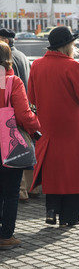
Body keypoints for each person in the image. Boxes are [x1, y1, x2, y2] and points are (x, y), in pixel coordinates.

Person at [28, 26, 79, 227]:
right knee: (73, 172)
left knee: (53, 170)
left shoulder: (37, 65)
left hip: (47, 126)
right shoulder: (73, 66)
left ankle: (51, 210)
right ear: (67, 45)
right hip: (72, 129)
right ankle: (69, 218)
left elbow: (31, 97)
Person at [0, 42, 41, 250]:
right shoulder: (12, 82)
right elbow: (25, 115)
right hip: (9, 145)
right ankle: (6, 235)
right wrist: (35, 126)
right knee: (11, 192)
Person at [0, 28, 39, 202]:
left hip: (10, 121)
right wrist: (35, 125)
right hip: (18, 118)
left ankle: (24, 192)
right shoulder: (23, 57)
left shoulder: (9, 75)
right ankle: (31, 190)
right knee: (12, 187)